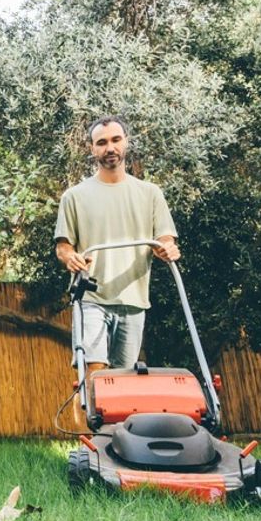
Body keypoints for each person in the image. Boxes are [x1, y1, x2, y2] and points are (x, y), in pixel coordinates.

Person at [54, 116, 180, 369]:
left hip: (133, 301)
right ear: (92, 149)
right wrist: (71, 258)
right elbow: (63, 247)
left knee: (124, 382)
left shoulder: (150, 193)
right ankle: (85, 406)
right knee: (94, 373)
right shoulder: (74, 196)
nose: (110, 148)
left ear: (126, 142)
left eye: (115, 140)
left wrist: (167, 249)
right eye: (102, 142)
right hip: (91, 297)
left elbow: (165, 238)